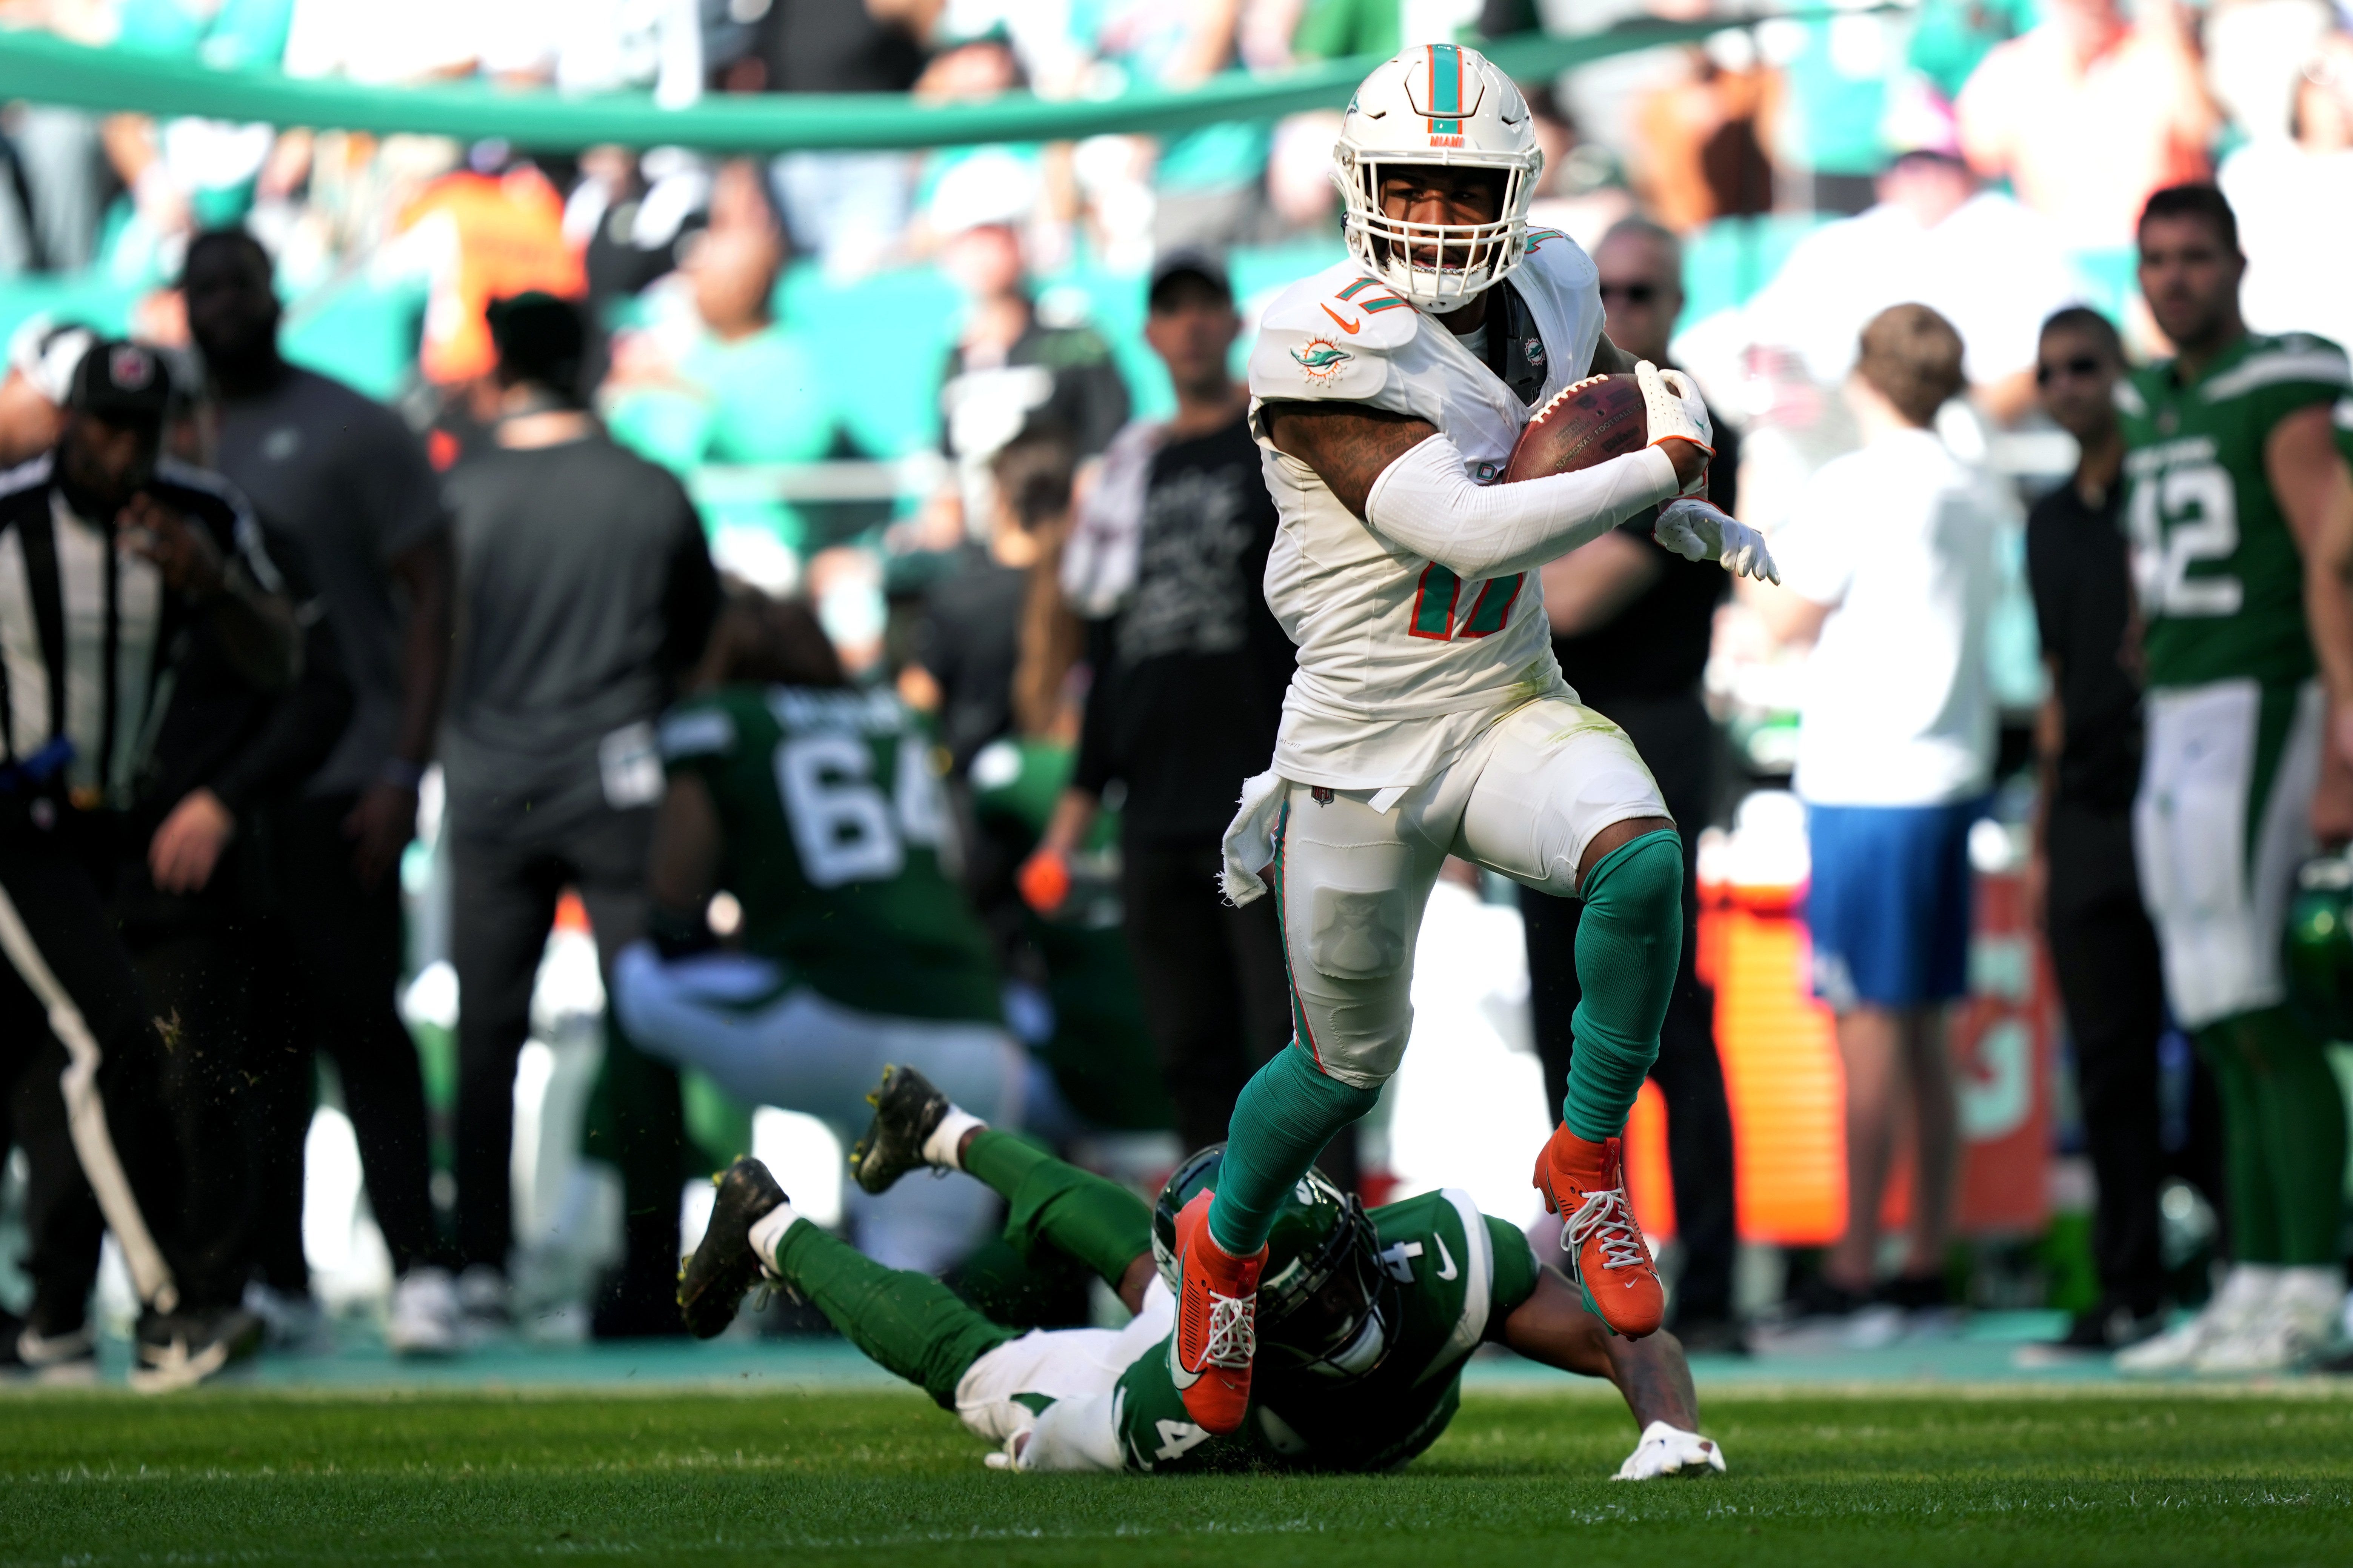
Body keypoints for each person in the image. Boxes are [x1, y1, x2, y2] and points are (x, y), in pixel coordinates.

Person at [1183, 42, 1779, 1436]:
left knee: (1639, 858)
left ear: (1512, 190)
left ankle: (1581, 1161)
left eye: (1463, 192)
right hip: (1359, 740)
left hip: (1502, 695)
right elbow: (1459, 521)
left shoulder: (1559, 277)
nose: (1438, 221)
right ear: (1358, 185)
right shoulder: (1314, 337)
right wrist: (1660, 468)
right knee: (1339, 1063)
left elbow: (1591, 394)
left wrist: (1666, 503)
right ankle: (1224, 1241)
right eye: (1411, 188)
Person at [678, 1064, 1727, 1480]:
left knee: (1150, 1264)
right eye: (1295, 1307)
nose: (1332, 1316)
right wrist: (1045, 1447)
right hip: (1205, 1387)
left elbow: (1625, 1334)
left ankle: (940, 1126)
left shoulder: (1443, 1257)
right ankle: (766, 1224)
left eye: (1322, 1283)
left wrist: (1668, 1427)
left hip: (1226, 1343)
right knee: (981, 1381)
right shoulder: (1187, 1394)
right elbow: (1072, 1439)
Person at [182, 225, 460, 1355]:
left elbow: (434, 593)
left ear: (276, 291)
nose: (222, 304)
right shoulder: (170, 432)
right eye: (202, 287)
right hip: (221, 794)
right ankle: (275, 1271)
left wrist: (405, 762)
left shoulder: (354, 427)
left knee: (364, 1030)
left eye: (238, 283)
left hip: (344, 778)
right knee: (254, 1042)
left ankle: (422, 1268)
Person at [0, 340, 296, 1387]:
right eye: (103, 426)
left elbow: (286, 660)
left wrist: (210, 586)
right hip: (16, 826)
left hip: (120, 829)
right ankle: (173, 1306)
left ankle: (55, 1324)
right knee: (107, 1039)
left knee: (78, 1066)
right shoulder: (11, 514)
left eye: (141, 428)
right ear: (70, 419)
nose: (120, 448)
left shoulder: (204, 516)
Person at [440, 292, 720, 1337]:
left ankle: (476, 1265)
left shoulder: (461, 490)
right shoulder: (648, 488)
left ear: (500, 369)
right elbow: (697, 632)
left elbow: (425, 636)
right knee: (645, 1026)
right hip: (619, 784)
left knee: (486, 1032)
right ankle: (651, 1271)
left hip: (489, 785)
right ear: (589, 363)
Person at [2111, 185, 2353, 1376]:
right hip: (2181, 713)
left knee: (2261, 1001)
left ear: (2235, 261)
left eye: (2194, 257)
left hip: (2265, 702)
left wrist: (2345, 722)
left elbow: (2335, 551)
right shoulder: (2150, 401)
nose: (2174, 279)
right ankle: (2251, 1278)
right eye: (2154, 259)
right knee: (2213, 1016)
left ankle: (2309, 1283)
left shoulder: (2284, 382)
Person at [609, 593, 1027, 1273]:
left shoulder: (722, 720)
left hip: (834, 1021)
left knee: (633, 981)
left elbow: (673, 895)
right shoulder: (900, 717)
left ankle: (647, 1258)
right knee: (914, 1285)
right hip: (977, 1031)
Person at [1748, 304, 2014, 1320]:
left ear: (1867, 379)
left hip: (1868, 780)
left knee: (1863, 1028)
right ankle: (1919, 1253)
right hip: (1946, 775)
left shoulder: (1857, 486)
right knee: (1923, 1032)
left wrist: (1738, 528)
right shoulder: (1970, 485)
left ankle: (1860, 1262)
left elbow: (1783, 613)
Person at [1019, 249, 1299, 1161]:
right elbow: (1107, 669)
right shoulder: (1126, 475)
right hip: (1154, 813)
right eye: (1168, 308)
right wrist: (1065, 830)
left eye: (1202, 305)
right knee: (1188, 1054)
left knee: (1288, 1050)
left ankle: (1323, 1260)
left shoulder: (1279, 452)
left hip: (1266, 799)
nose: (1186, 324)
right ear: (1149, 333)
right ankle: (1216, 1268)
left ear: (1229, 321)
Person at [1522, 217, 1743, 1352]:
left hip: (1644, 730)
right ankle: (1584, 1253)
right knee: (1554, 1006)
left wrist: (1515, 523)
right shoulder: (1552, 419)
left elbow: (1561, 596)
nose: (1620, 310)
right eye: (1601, 290)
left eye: (1642, 288)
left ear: (1676, 295)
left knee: (1668, 1013)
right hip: (1537, 729)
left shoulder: (1690, 425)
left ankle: (1705, 1268)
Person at [2022, 307, 2178, 1352]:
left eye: (2086, 367)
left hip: (2171, 779)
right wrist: (2039, 834)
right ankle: (2130, 1283)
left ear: (2119, 376)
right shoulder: (2044, 520)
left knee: (2213, 1043)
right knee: (2107, 1056)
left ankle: (2251, 1263)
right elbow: (2051, 682)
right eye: (2052, 372)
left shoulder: (2161, 495)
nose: (2069, 385)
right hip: (2081, 805)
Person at [1954, 0, 2214, 257]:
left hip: (2157, 253)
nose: (2093, 7)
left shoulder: (2159, 56)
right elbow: (1980, 155)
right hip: (2061, 258)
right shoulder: (2009, 69)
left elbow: (2200, 132)